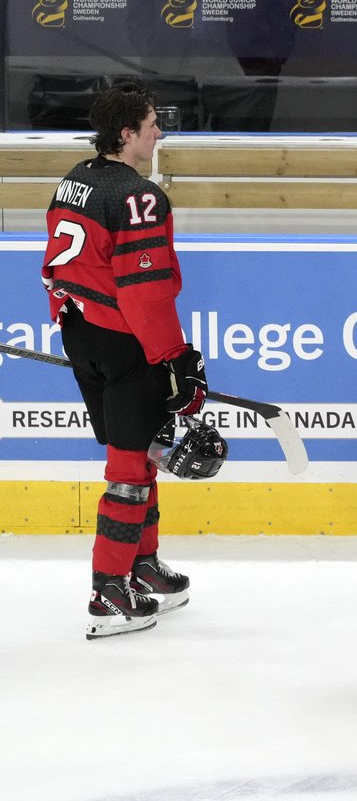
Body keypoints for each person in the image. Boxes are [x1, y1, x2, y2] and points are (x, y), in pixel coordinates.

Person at [41, 84, 209, 639]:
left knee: (141, 450)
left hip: (81, 332)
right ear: (127, 133)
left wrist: (75, 323)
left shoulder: (74, 179)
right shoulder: (138, 196)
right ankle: (108, 589)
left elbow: (55, 267)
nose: (159, 133)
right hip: (124, 341)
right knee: (129, 469)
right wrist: (176, 357)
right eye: (152, 123)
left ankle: (142, 564)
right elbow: (146, 291)